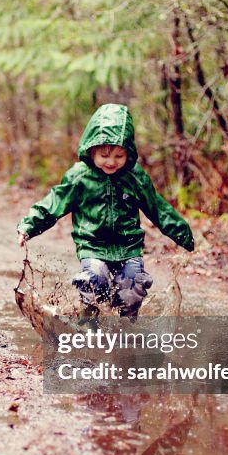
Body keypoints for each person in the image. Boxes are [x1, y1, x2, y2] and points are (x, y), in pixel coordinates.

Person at [17, 104, 194, 318]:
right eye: (104, 155)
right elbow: (54, 202)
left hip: (128, 247)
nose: (111, 162)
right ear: (91, 150)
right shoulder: (79, 177)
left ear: (128, 153)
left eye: (119, 156)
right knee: (95, 281)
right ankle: (89, 326)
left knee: (133, 286)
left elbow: (157, 207)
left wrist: (182, 233)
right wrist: (29, 225)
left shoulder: (134, 177)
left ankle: (125, 331)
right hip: (92, 245)